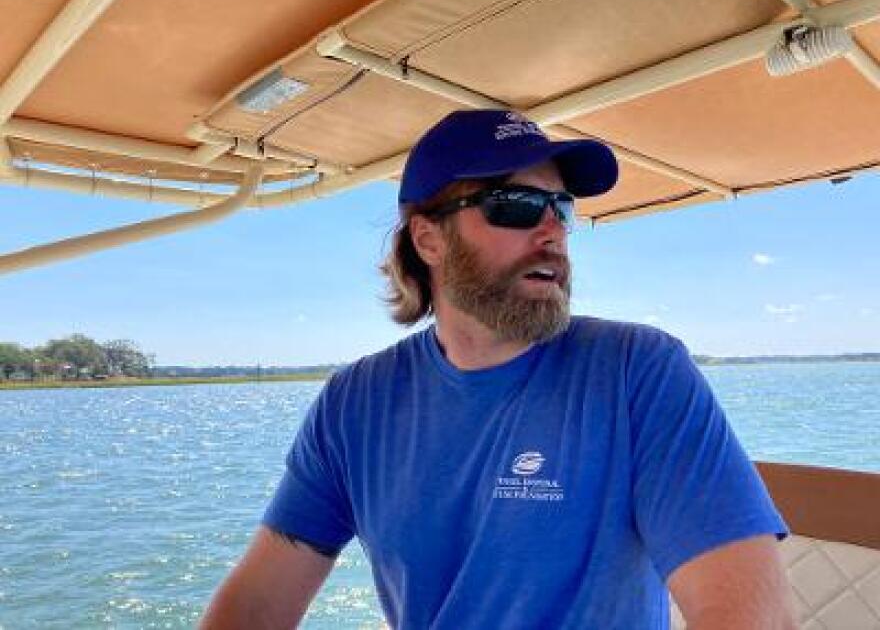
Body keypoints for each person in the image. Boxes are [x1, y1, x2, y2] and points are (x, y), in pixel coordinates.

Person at [201, 110, 796, 629]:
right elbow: (256, 606)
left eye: (562, 208)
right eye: (516, 206)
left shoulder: (637, 374)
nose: (553, 231)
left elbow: (750, 617)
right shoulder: (354, 404)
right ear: (428, 239)